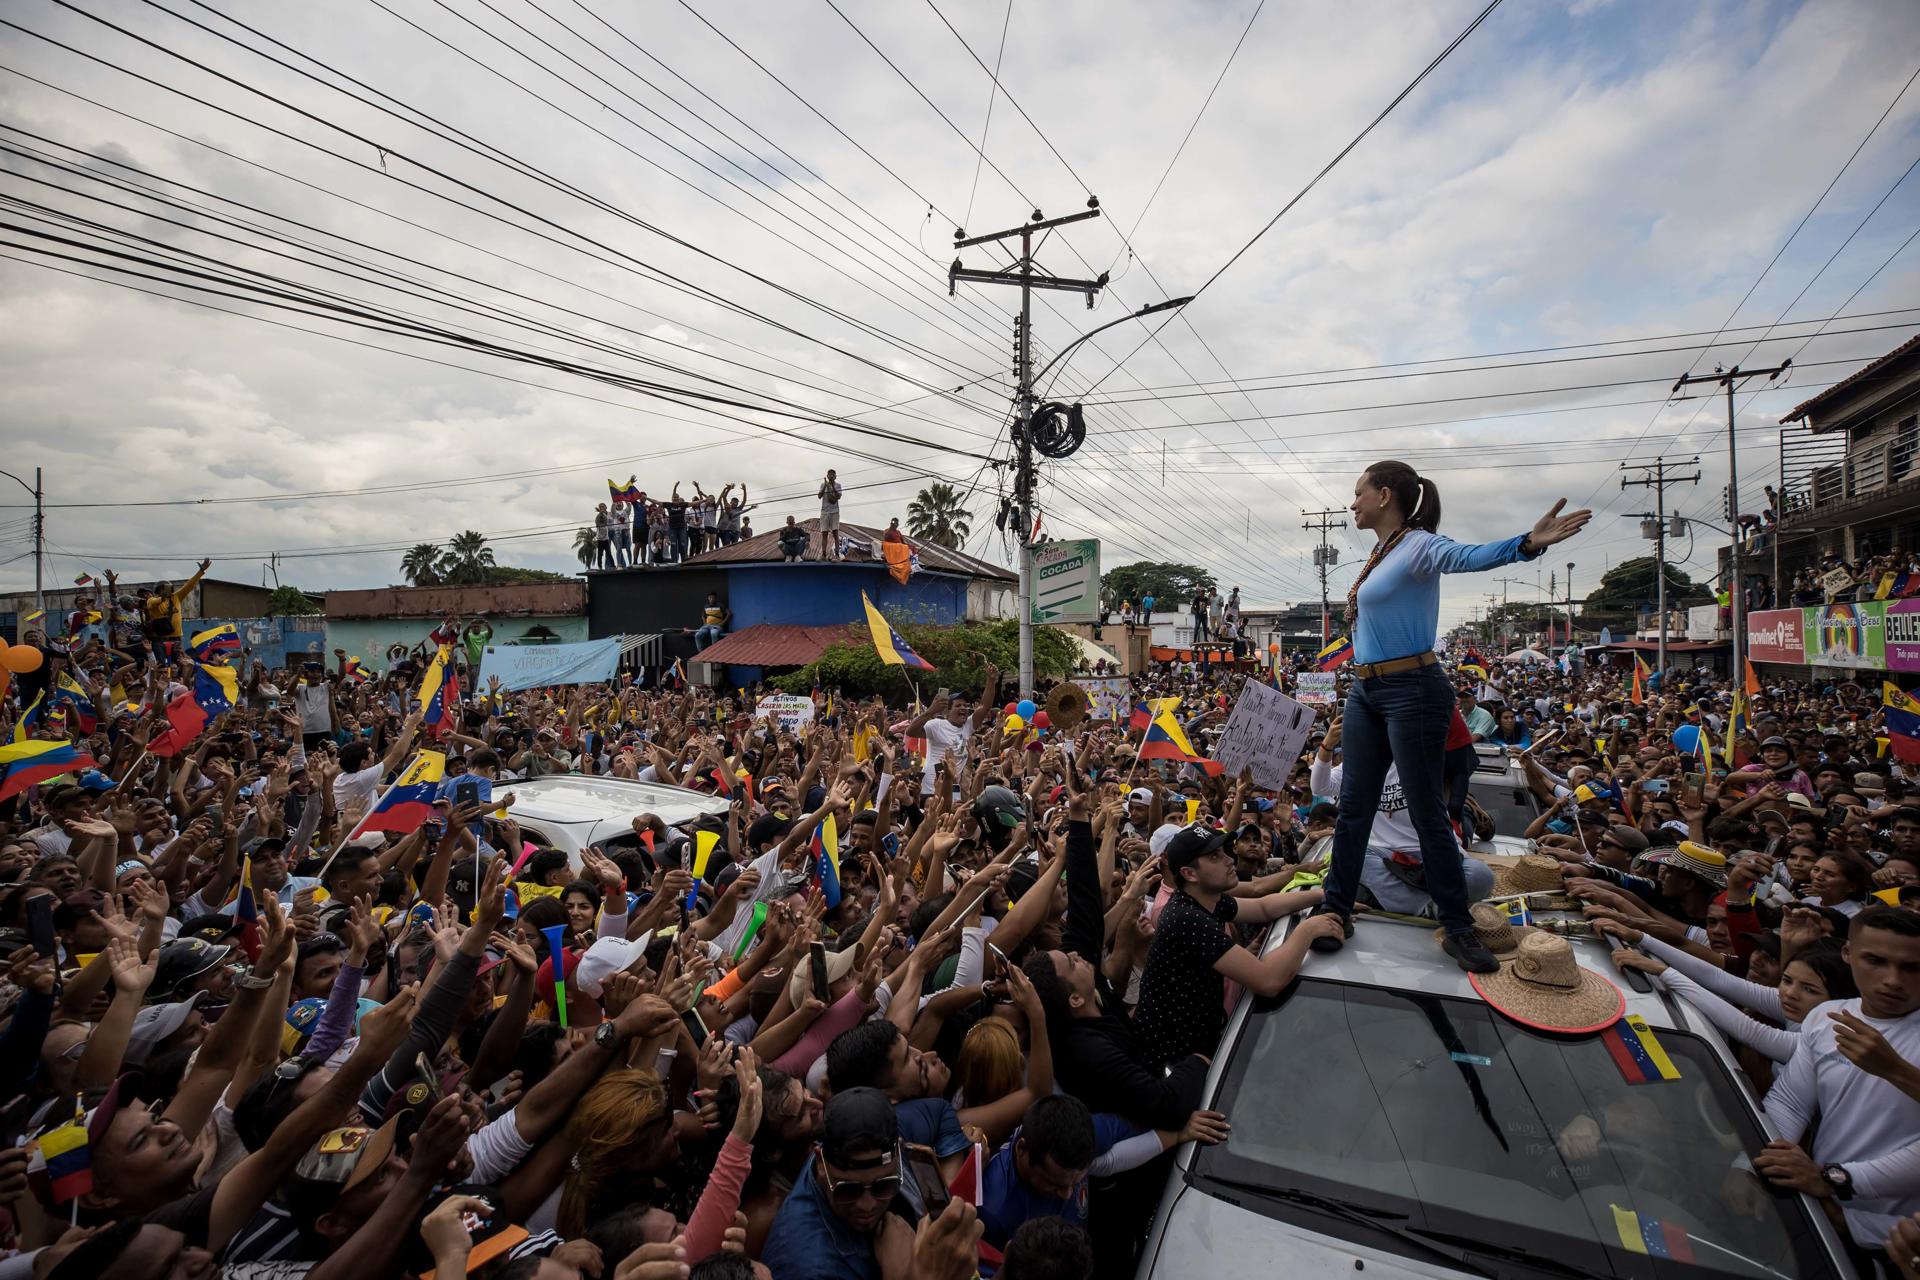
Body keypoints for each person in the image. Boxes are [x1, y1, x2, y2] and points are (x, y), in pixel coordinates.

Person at [1308, 460, 1589, 972]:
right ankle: (1335, 909)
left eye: (1358, 494)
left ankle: (1459, 927)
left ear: (1385, 495)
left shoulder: (1417, 545)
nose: (1352, 504)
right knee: (1352, 811)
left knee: (1424, 810)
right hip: (1366, 691)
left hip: (1412, 689)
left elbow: (1469, 556)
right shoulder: (1382, 551)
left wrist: (1527, 543)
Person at [1756, 906, 1920, 1249]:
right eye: (1876, 961)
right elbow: (1790, 1102)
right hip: (1815, 1213)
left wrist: (1837, 1179)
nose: (1893, 979)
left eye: (1911, 967)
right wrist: (1760, 1169)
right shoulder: (1826, 1017)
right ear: (1848, 953)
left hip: (1894, 1240)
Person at [1132, 823, 1333, 1067]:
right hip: (1173, 1063)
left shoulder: (1206, 899)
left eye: (1224, 851)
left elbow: (1263, 907)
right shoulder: (1185, 918)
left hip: (1199, 1049)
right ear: (1190, 874)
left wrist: (1324, 896)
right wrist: (1309, 930)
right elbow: (1268, 980)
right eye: (1215, 856)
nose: (1228, 860)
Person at [763, 1087, 914, 1279]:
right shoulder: (807, 1269)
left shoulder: (832, 1156)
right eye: (848, 1191)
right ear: (820, 1163)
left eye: (882, 1186)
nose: (867, 1205)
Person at [818, 470, 843, 562]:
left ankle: (837, 554)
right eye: (830, 474)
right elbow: (819, 496)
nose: (831, 476)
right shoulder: (823, 484)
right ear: (827, 476)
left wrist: (832, 486)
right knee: (824, 533)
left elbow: (838, 497)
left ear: (835, 476)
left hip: (835, 512)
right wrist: (825, 486)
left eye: (833, 474)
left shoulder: (838, 485)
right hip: (824, 512)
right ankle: (824, 554)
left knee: (835, 533)